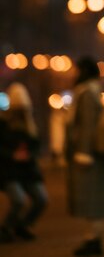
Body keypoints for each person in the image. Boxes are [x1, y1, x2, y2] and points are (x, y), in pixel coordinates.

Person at [65, 57, 104, 256]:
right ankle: (94, 238)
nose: (73, 73)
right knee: (99, 196)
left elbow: (87, 125)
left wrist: (83, 152)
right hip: (93, 153)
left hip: (89, 155)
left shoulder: (86, 93)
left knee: (94, 198)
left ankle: (94, 239)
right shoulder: (91, 91)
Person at [0, 82, 48, 243]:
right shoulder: (3, 124)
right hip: (9, 171)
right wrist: (12, 155)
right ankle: (6, 227)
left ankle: (21, 225)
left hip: (28, 171)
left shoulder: (31, 125)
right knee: (18, 200)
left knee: (41, 199)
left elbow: (37, 145)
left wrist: (29, 155)